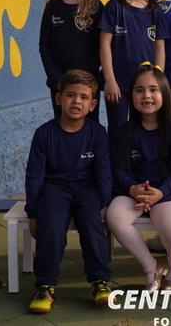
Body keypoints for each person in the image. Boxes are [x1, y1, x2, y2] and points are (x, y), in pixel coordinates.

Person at [25, 70, 112, 314]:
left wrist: (104, 203)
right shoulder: (44, 134)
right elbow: (34, 175)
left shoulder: (98, 133)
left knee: (92, 225)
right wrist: (33, 212)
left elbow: (104, 171)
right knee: (51, 227)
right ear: (58, 98)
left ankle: (100, 281)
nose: (77, 101)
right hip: (55, 188)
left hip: (87, 189)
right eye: (71, 95)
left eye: (84, 97)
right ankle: (45, 286)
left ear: (92, 104)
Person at [105, 62, 171, 292]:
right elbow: (119, 169)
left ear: (165, 94)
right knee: (115, 217)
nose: (146, 95)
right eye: (139, 90)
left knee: (169, 224)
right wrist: (132, 189)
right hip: (134, 192)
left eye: (153, 90)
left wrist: (161, 192)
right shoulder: (125, 131)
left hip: (166, 192)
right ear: (131, 95)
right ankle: (150, 266)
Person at [99, 0, 169, 149]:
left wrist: (157, 80)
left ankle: (142, 164)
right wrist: (109, 80)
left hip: (146, 86)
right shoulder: (113, 8)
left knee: (146, 128)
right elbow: (104, 45)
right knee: (118, 130)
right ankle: (118, 167)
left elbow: (160, 48)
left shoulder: (156, 10)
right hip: (118, 85)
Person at [39, 0, 103, 121]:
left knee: (89, 127)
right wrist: (57, 79)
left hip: (87, 84)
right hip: (59, 84)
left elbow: (103, 44)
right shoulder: (52, 7)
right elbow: (44, 45)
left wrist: (90, 77)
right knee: (63, 126)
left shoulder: (95, 7)